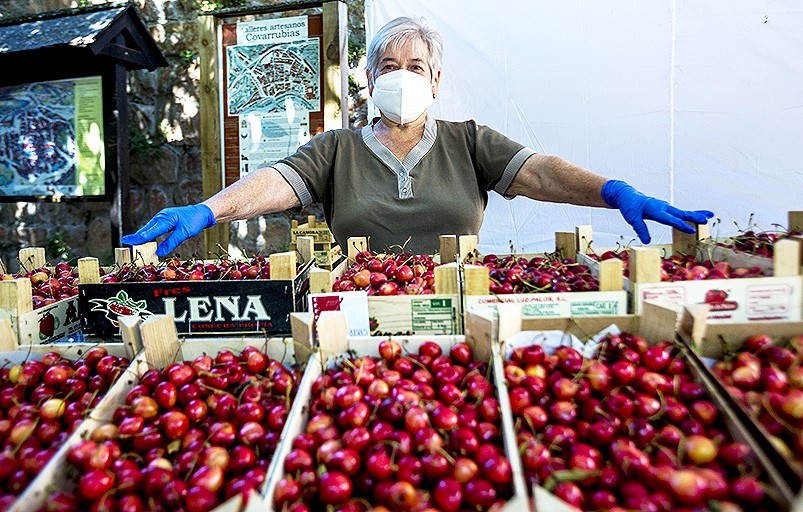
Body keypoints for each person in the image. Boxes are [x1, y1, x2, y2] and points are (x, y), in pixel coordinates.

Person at [122, 16, 713, 257]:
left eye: (415, 67)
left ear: (435, 81)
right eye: (388, 65)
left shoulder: (468, 141)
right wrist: (210, 209)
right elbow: (275, 183)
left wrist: (614, 191)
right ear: (370, 76)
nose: (401, 77)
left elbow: (540, 173)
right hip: (359, 319)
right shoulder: (338, 150)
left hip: (461, 315)